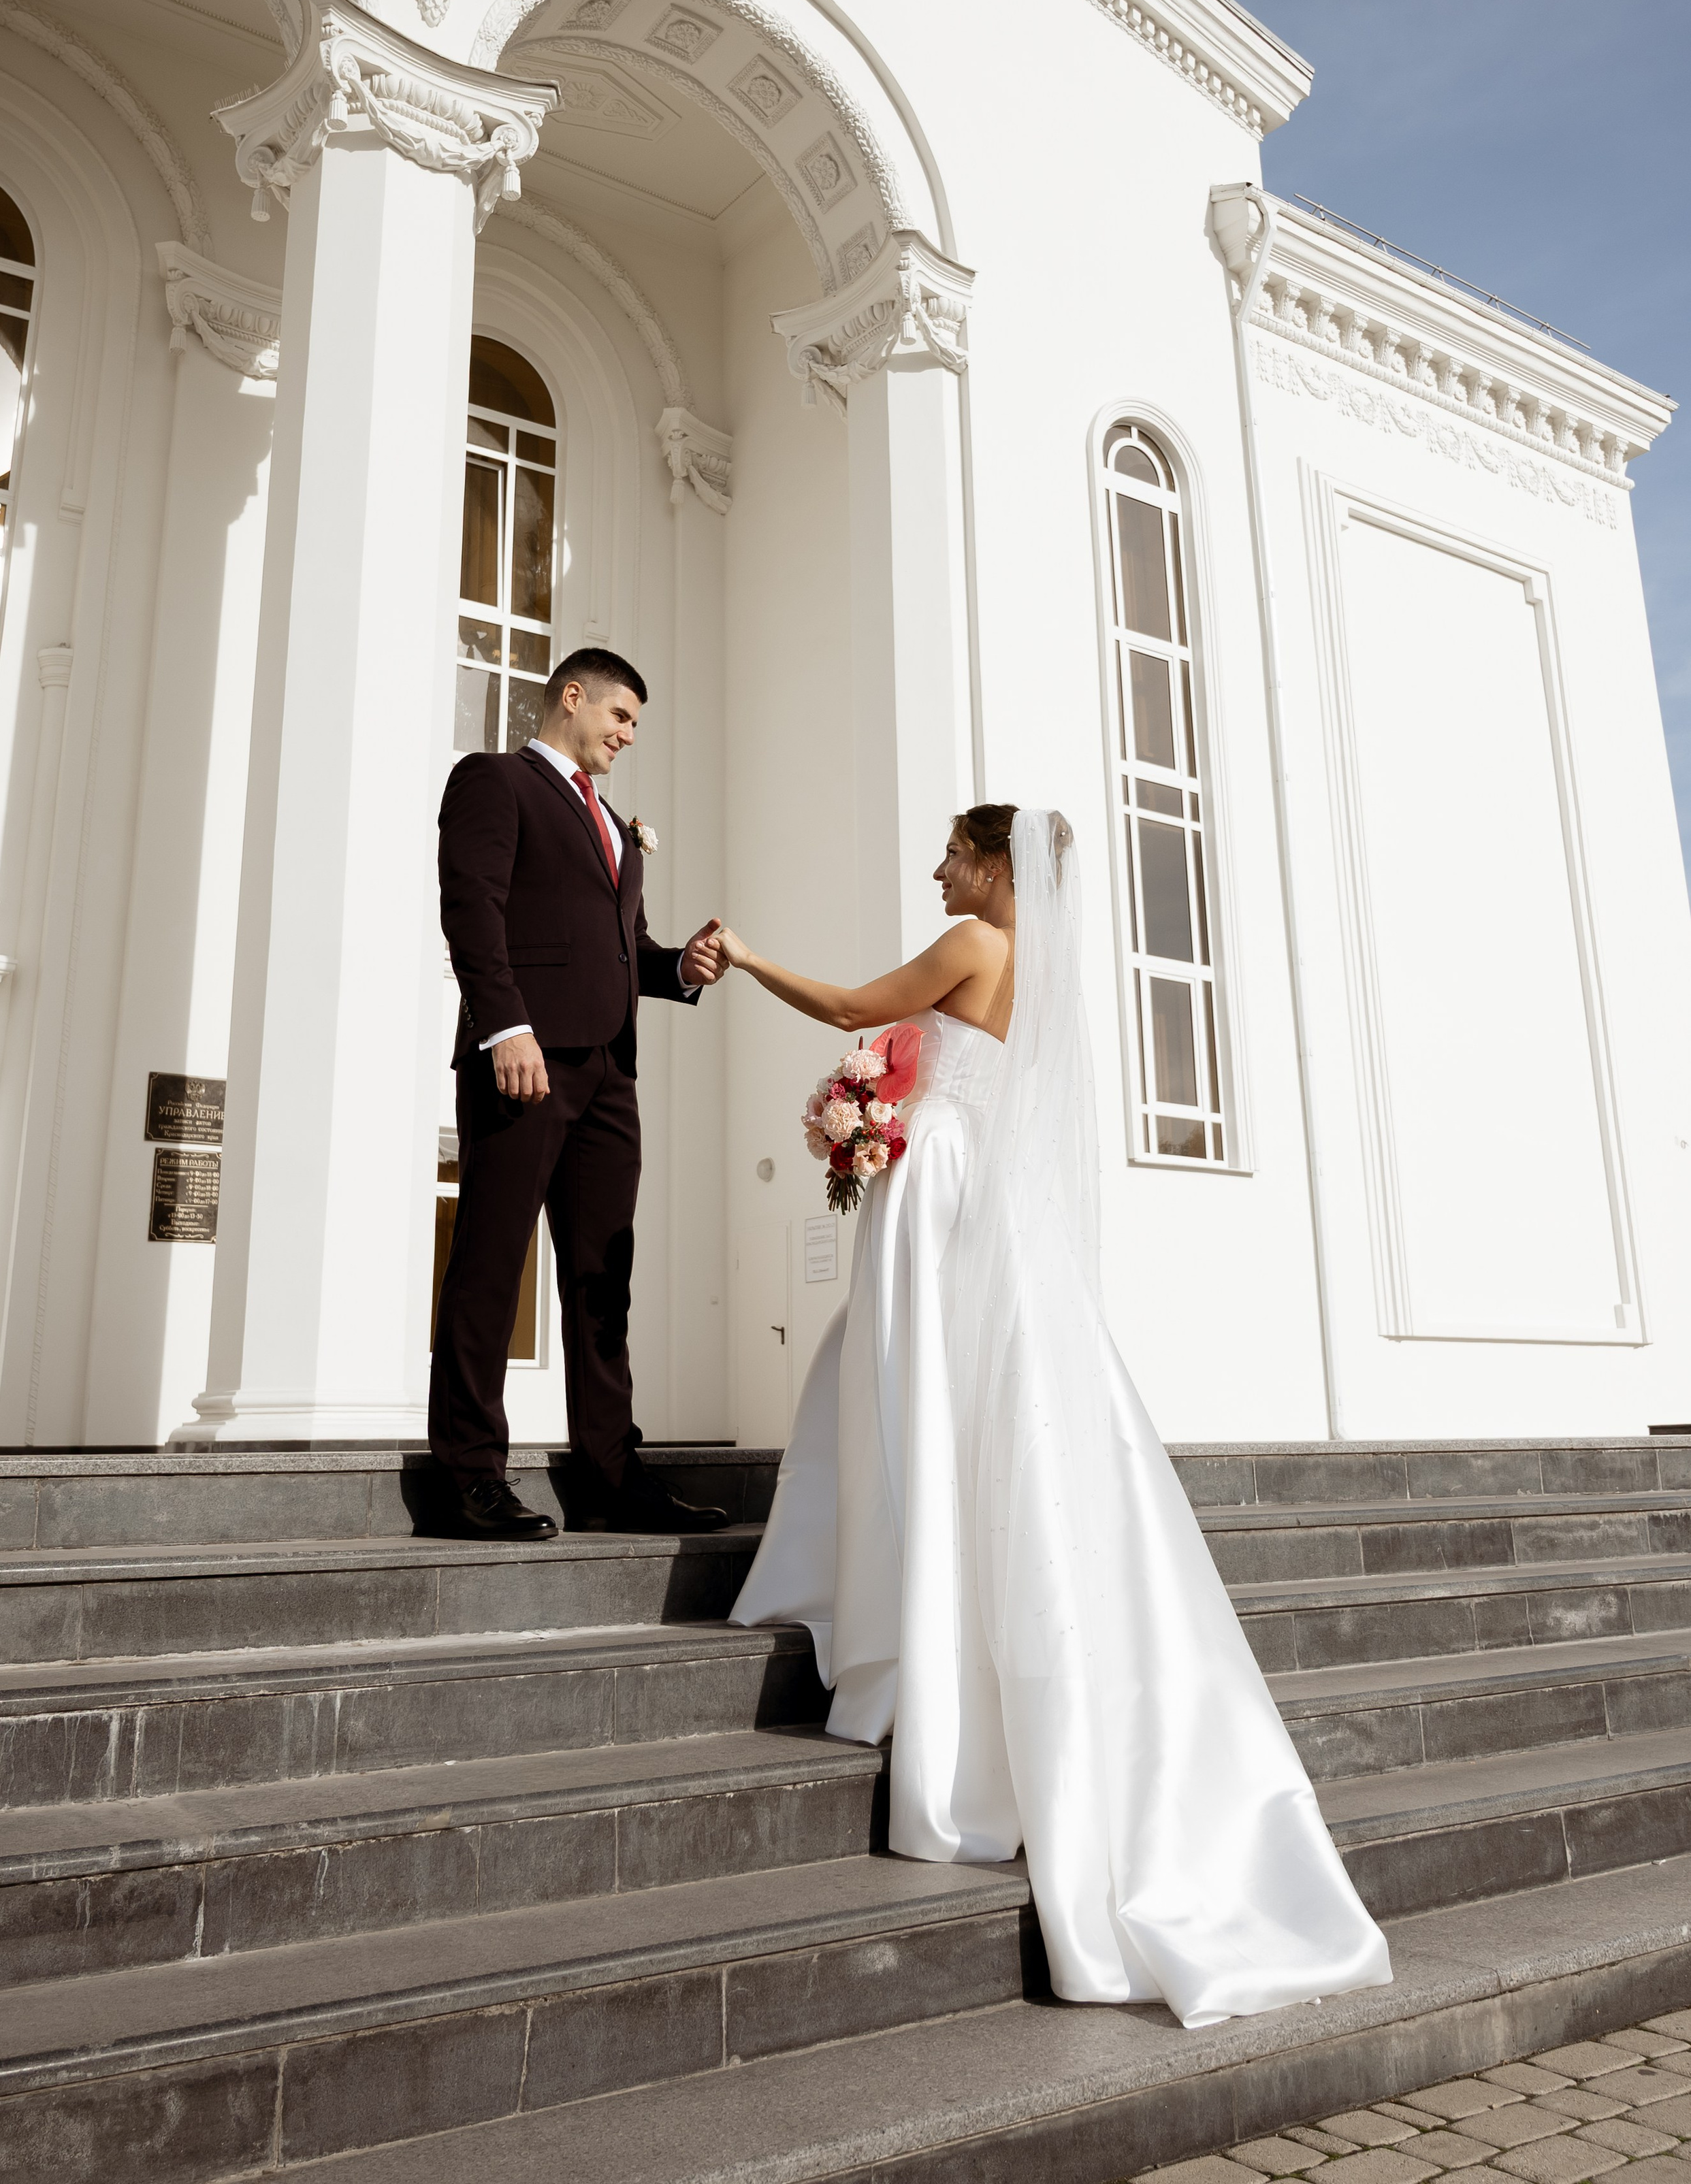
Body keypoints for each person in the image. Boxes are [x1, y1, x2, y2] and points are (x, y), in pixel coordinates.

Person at [718, 805, 1391, 2027]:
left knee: (920, 1401)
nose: (937, 870)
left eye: (952, 854)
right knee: (951, 1403)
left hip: (947, 1198)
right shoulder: (1040, 970)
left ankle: (916, 1637)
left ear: (993, 865)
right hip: (978, 1190)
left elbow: (851, 1009)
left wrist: (753, 955)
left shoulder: (978, 944)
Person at [432, 647, 728, 1541]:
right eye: (623, 718)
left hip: (609, 1074)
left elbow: (623, 945)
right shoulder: (494, 781)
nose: (630, 737)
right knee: (491, 1264)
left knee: (607, 1279)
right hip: (524, 1058)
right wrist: (503, 1026)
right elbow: (470, 904)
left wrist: (681, 966)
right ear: (574, 697)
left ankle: (609, 1475)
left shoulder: (614, 826)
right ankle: (468, 1476)